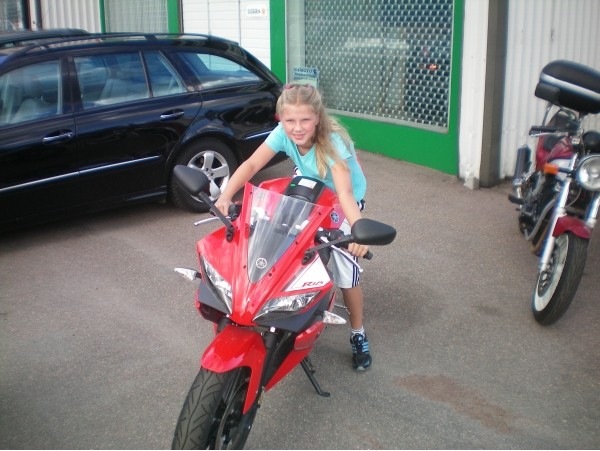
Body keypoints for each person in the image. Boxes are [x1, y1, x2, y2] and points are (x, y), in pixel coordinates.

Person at [215, 83, 372, 371]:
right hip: (308, 188)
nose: (297, 128)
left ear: (317, 118)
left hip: (340, 199)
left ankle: (358, 333)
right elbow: (251, 165)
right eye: (290, 120)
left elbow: (345, 194)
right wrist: (226, 195)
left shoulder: (332, 141)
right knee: (278, 240)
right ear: (281, 119)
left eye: (305, 120)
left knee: (345, 265)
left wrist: (358, 231)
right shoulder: (282, 133)